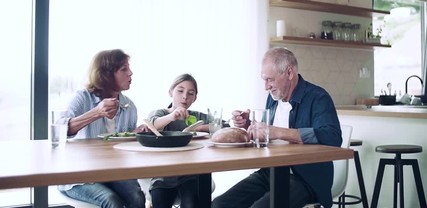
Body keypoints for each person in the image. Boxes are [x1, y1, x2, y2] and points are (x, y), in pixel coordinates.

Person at [211, 47, 342, 208]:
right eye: (264, 80)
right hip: (271, 173)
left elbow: (333, 137)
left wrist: (278, 132)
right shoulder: (273, 99)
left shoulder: (318, 97)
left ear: (289, 73)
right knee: (219, 205)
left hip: (306, 179)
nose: (266, 86)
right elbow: (269, 136)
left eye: (270, 80)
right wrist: (249, 126)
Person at [57, 49, 146, 208]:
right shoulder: (83, 97)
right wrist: (96, 112)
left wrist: (136, 135)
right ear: (106, 73)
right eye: (124, 69)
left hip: (114, 172)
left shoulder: (129, 106)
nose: (131, 73)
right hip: (78, 176)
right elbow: (60, 129)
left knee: (137, 197)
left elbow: (125, 146)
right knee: (111, 201)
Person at [146, 73, 227, 208]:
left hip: (191, 175)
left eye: (191, 93)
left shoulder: (196, 116)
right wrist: (172, 116)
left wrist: (201, 127)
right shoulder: (161, 113)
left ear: (195, 98)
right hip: (163, 176)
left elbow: (224, 125)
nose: (185, 96)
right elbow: (151, 125)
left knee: (192, 203)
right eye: (180, 91)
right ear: (171, 92)